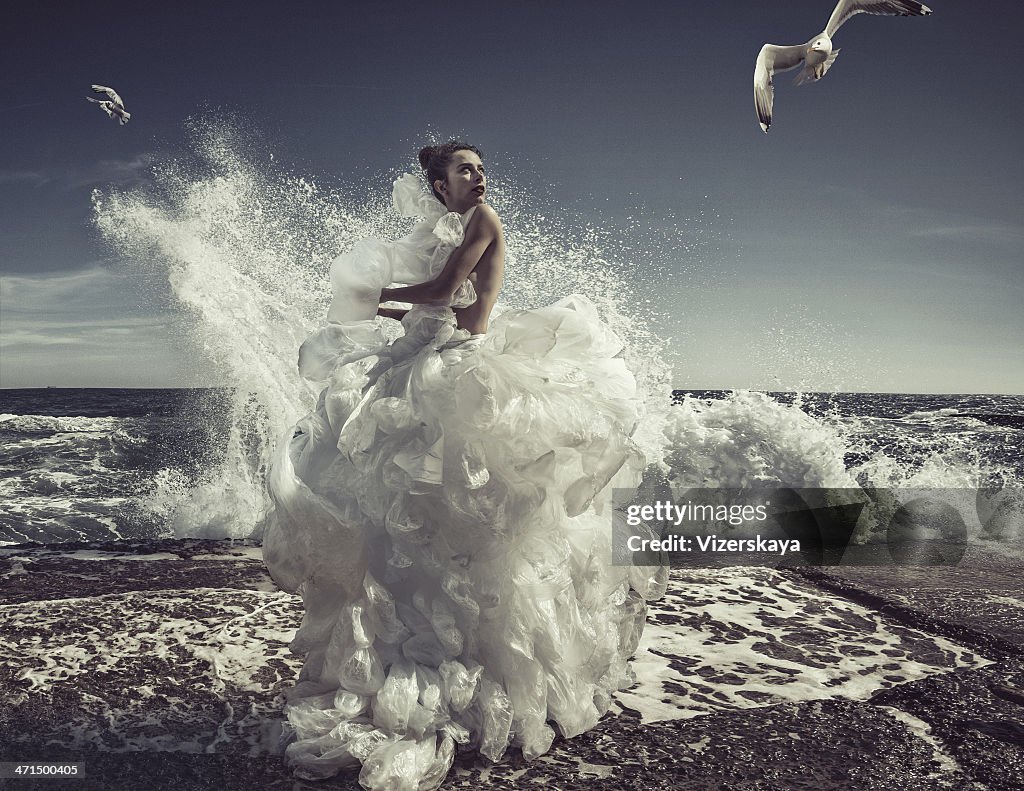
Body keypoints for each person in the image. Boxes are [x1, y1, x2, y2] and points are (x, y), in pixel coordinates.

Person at [262, 141, 666, 790]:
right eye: (464, 169)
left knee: (473, 532)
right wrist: (383, 308)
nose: (478, 177)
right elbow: (437, 303)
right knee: (416, 525)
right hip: (438, 366)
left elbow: (451, 293)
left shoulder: (484, 221)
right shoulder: (452, 229)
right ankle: (452, 669)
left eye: (481, 168)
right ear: (438, 183)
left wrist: (375, 294)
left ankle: (486, 680)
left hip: (470, 380)